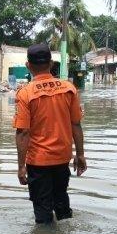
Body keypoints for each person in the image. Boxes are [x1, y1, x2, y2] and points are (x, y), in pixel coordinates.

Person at [14, 43, 87, 224]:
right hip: (62, 159)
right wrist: (81, 154)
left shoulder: (25, 94)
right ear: (52, 64)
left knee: (43, 210)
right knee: (61, 203)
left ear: (28, 66)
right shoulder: (69, 89)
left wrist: (21, 166)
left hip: (38, 162)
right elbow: (76, 125)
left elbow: (23, 132)